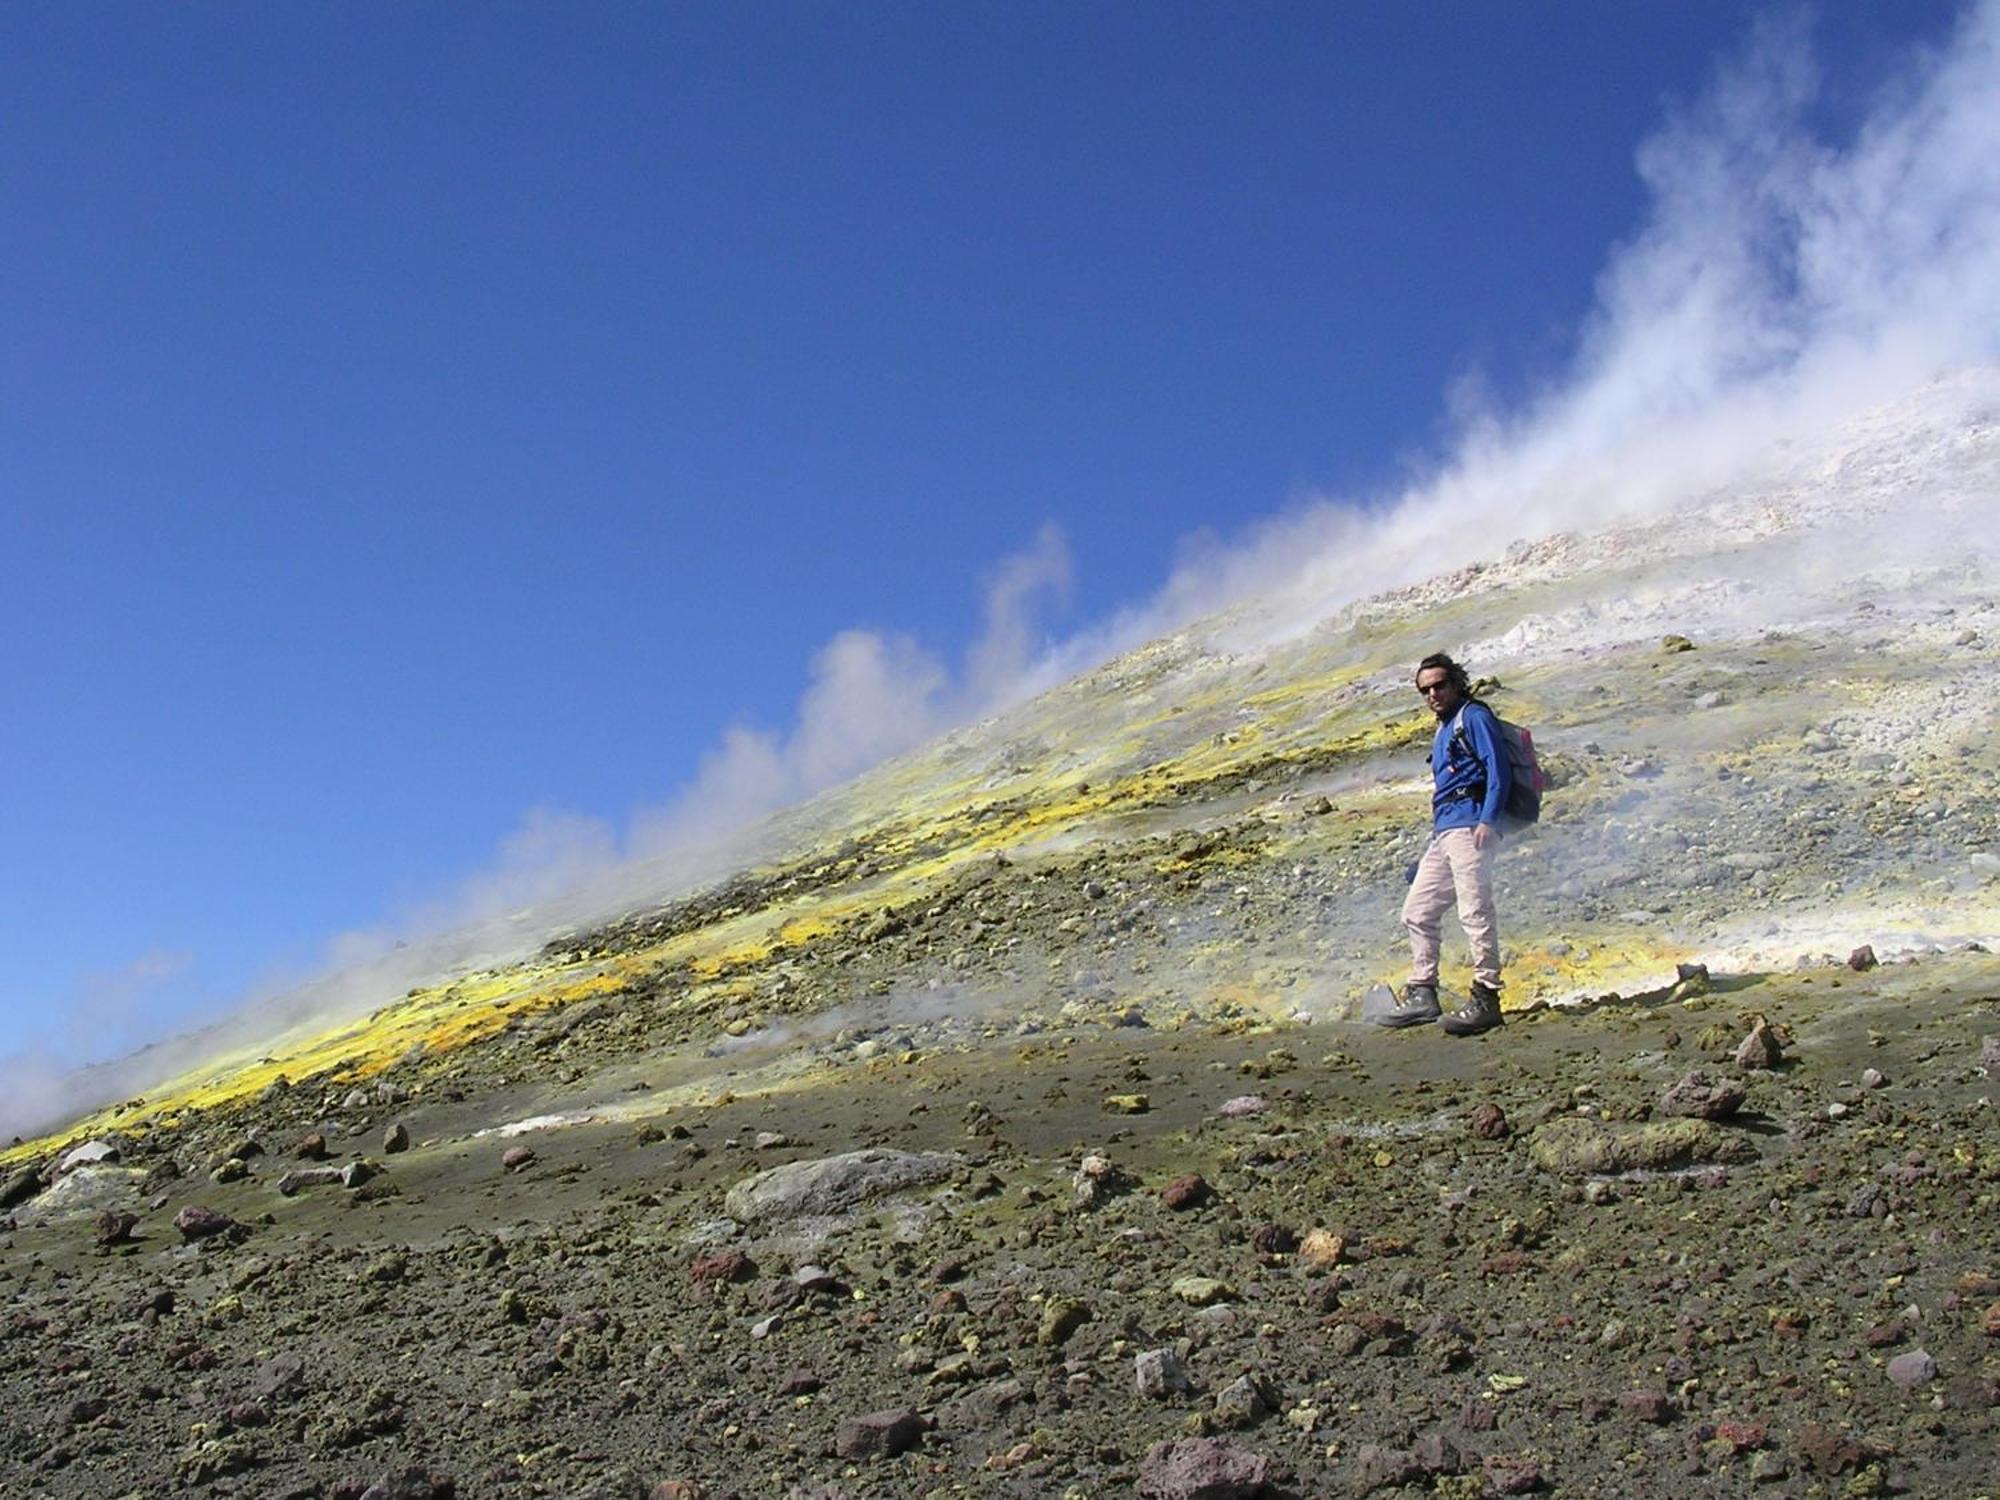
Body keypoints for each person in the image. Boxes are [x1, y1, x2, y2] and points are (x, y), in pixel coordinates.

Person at [1373, 652, 1510, 1035]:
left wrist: (1489, 819)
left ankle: (1487, 997)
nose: (1433, 694)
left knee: (1474, 910)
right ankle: (1423, 993)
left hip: (1471, 828)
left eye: (1439, 685)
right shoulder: (1444, 727)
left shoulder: (1474, 717)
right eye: (1425, 689)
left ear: (1456, 683)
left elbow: (1497, 769)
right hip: (1446, 832)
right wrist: (1431, 847)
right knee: (1417, 911)